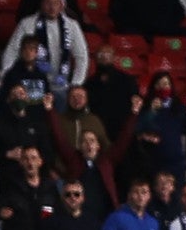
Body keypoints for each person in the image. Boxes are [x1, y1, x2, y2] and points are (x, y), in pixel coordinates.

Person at [47, 94, 141, 222]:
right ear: (80, 147)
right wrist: (50, 110)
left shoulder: (107, 161)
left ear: (98, 145)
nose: (89, 144)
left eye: (92, 140)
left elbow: (124, 139)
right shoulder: (73, 159)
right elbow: (59, 137)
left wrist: (134, 113)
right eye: (84, 141)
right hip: (79, 215)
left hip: (105, 215)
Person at [1, 0, 89, 103]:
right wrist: (8, 78)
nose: (52, 7)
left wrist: (76, 84)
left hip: (61, 85)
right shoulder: (27, 23)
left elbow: (82, 56)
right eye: (48, 2)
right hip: (33, 83)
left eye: (56, 3)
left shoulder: (72, 25)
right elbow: (12, 52)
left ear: (61, 5)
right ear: (41, 4)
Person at [135, 73, 186, 180]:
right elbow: (139, 128)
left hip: (176, 163)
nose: (163, 87)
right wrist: (152, 112)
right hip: (152, 164)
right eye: (159, 84)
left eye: (166, 84)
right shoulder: (145, 108)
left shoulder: (179, 108)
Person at [83, 46, 140, 142]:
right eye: (101, 54)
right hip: (98, 130)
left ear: (114, 57)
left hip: (122, 130)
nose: (104, 57)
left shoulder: (127, 80)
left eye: (108, 54)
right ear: (95, 58)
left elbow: (135, 105)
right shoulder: (89, 83)